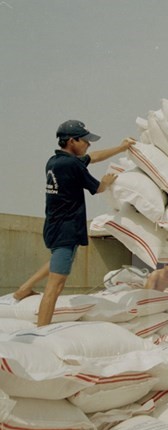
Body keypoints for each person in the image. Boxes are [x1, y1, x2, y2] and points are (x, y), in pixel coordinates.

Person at [0, 120, 135, 326]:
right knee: (56, 286)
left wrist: (121, 147)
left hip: (53, 226)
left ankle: (23, 290)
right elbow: (97, 188)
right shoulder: (72, 165)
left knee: (58, 260)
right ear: (72, 140)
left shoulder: (54, 161)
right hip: (67, 229)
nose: (89, 145)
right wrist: (107, 182)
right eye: (85, 140)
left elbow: (93, 158)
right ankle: (41, 330)